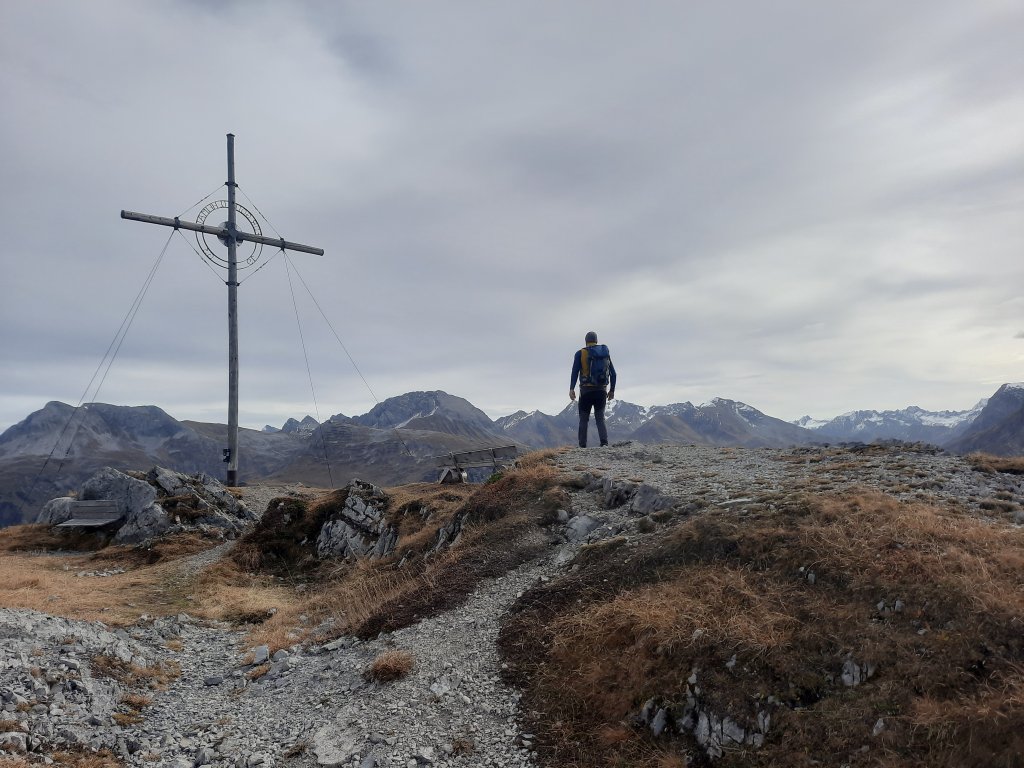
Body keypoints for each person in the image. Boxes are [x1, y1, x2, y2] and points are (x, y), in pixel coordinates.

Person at [569, 331, 617, 447]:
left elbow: (575, 372)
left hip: (586, 391)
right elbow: (613, 374)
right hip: (601, 390)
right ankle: (604, 443)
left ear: (586, 341)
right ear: (596, 341)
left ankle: (582, 446)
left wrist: (571, 388)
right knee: (600, 418)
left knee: (584, 419)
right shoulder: (604, 354)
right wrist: (612, 390)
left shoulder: (580, 353)